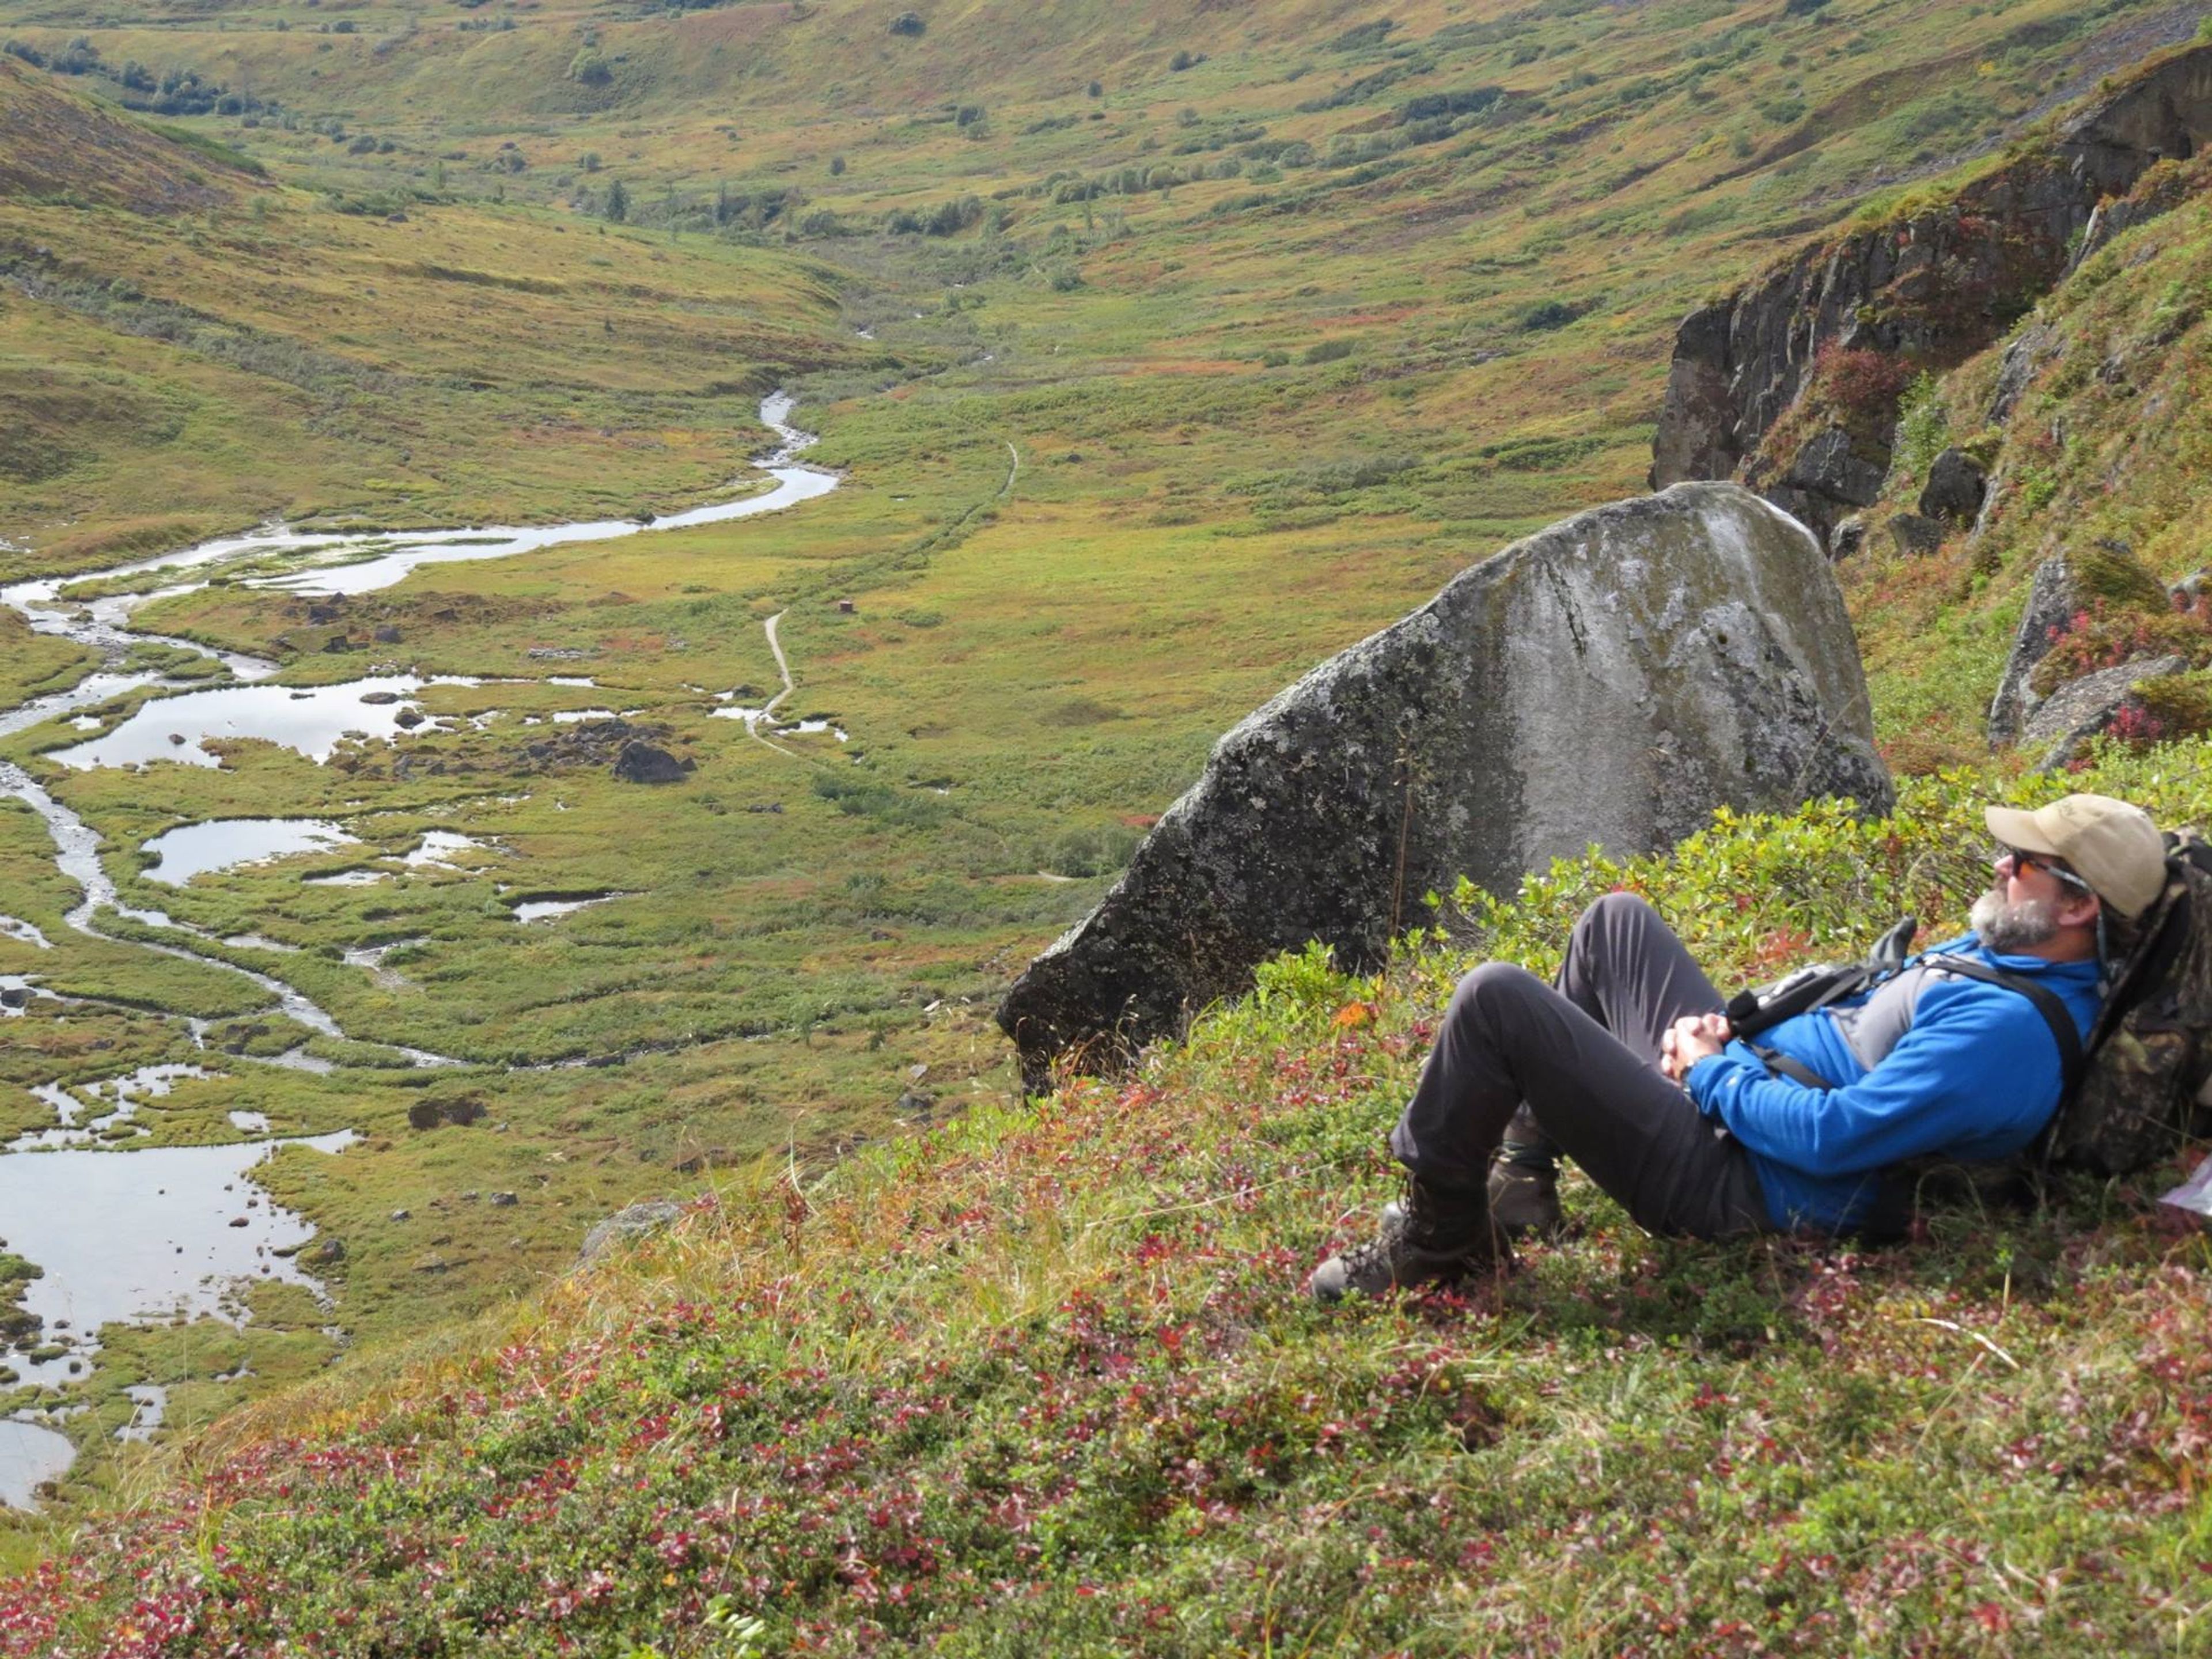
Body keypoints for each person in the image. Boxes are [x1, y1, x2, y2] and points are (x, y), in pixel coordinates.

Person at [1307, 793, 2168, 1301]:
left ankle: (1439, 1243)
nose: (1999, 864)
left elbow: (1838, 1139)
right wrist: (1731, 1041)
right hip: (1742, 1091)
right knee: (1616, 921)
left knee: (1496, 997)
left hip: (1737, 1180)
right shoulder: (2009, 950)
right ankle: (1521, 1184)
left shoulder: (2008, 1035)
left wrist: (1712, 1071)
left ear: (2079, 906)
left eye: (2022, 859)